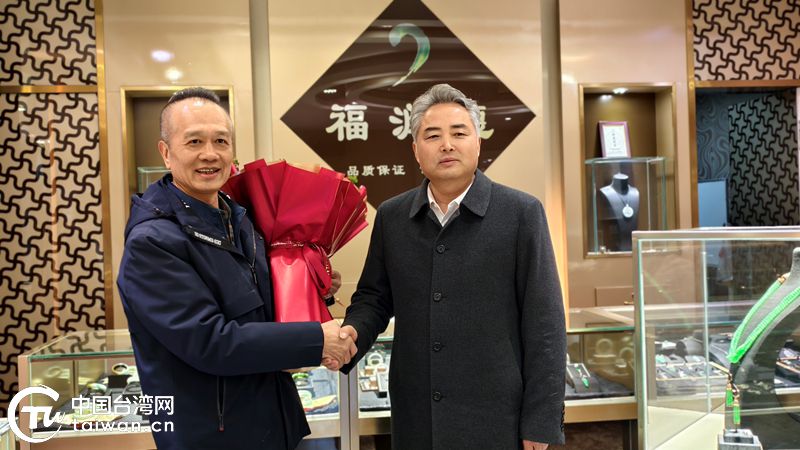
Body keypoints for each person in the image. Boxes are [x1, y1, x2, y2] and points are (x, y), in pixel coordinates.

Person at [117, 87, 356, 450]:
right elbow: (211, 343)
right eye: (194, 141)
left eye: (221, 141)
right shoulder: (151, 243)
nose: (210, 154)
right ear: (165, 152)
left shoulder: (238, 217)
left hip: (270, 421)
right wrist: (316, 339)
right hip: (211, 435)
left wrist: (313, 284)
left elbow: (260, 305)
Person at [333, 84, 566, 450]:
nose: (446, 145)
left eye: (459, 133)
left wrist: (541, 421)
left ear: (478, 143)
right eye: (432, 136)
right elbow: (374, 298)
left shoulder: (521, 214)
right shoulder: (393, 216)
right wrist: (350, 336)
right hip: (417, 417)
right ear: (415, 150)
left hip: (497, 420)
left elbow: (545, 324)